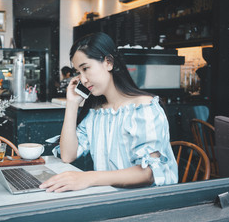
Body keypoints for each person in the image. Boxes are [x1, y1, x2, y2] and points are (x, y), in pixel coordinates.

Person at [40, 32, 178, 193]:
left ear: (108, 62)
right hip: (112, 198)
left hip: (149, 203)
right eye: (78, 72)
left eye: (86, 68)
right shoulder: (97, 113)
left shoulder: (144, 108)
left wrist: (88, 178)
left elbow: (148, 173)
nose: (82, 79)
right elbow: (67, 155)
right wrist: (72, 104)